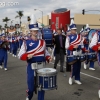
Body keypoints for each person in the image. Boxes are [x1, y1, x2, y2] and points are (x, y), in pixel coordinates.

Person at [18, 14, 51, 100]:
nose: (36, 32)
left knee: (42, 86)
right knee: (31, 87)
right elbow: (20, 55)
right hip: (31, 67)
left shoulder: (42, 42)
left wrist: (48, 57)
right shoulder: (26, 42)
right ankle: (29, 95)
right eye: (34, 31)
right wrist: (27, 56)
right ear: (31, 31)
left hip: (42, 66)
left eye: (37, 30)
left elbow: (45, 52)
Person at [65, 19, 86, 85]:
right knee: (73, 67)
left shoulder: (79, 36)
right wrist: (73, 47)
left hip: (79, 52)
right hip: (72, 53)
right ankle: (71, 77)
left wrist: (84, 50)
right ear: (71, 30)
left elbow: (82, 44)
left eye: (75, 29)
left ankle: (77, 79)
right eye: (73, 29)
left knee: (78, 66)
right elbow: (66, 46)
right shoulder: (68, 37)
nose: (74, 30)